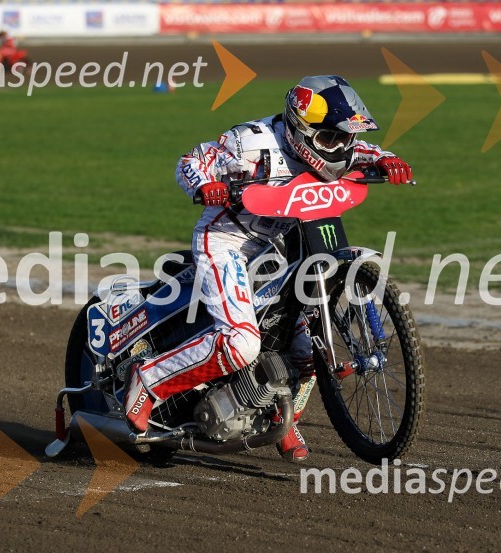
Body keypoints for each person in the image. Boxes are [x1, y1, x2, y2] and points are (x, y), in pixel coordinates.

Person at [124, 75, 412, 462]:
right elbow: (193, 160)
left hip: (285, 241)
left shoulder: (336, 143)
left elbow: (359, 149)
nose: (341, 148)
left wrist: (384, 158)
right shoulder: (250, 143)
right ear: (300, 130)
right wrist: (205, 186)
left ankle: (280, 414)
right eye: (330, 139)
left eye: (343, 139)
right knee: (242, 343)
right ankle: (148, 380)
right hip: (228, 240)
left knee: (307, 347)